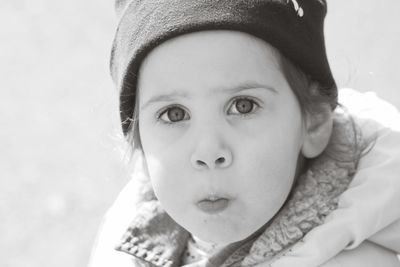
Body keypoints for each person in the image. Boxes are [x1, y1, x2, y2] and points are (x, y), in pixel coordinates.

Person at [89, 0, 400, 266]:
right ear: (140, 143)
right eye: (174, 114)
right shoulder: (124, 240)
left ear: (314, 121)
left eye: (243, 106)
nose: (209, 152)